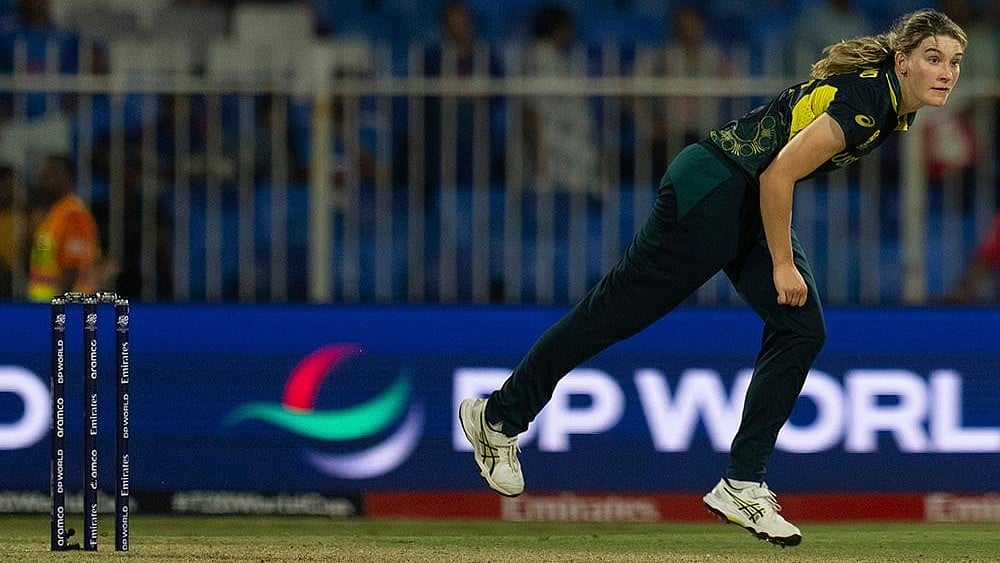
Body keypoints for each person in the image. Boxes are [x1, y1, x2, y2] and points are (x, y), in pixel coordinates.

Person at [458, 9, 966, 547]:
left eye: (955, 62)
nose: (946, 72)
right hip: (716, 186)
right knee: (611, 314)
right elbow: (778, 174)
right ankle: (496, 416)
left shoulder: (891, 103)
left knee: (801, 329)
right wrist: (782, 263)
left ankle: (742, 482)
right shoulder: (868, 104)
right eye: (933, 58)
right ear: (902, 61)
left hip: (739, 194)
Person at [26, 154, 113, 301]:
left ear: (65, 177)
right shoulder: (55, 212)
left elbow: (72, 269)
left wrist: (60, 310)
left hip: (65, 309)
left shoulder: (73, 214)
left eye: (50, 172)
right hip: (43, 307)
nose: (42, 177)